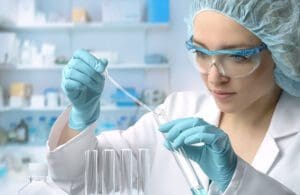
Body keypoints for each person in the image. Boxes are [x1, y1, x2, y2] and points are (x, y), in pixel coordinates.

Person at [47, 0, 300, 194]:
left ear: (282, 50)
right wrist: (80, 119)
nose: (213, 78)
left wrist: (237, 180)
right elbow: (77, 179)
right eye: (201, 52)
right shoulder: (176, 112)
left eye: (237, 57)